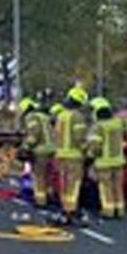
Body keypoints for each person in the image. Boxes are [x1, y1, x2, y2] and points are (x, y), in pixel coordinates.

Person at [86, 97, 127, 218]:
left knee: (106, 188)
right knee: (118, 186)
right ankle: (120, 210)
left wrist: (90, 156)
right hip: (119, 161)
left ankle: (108, 211)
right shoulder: (118, 124)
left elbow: (96, 147)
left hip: (104, 162)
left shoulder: (98, 127)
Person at [54, 86, 89, 220]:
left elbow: (56, 135)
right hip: (74, 156)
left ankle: (65, 207)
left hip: (61, 155)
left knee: (64, 183)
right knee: (74, 184)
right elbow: (79, 137)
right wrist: (86, 149)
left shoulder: (61, 116)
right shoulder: (77, 116)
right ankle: (72, 209)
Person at [18, 96, 55, 207]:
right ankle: (49, 196)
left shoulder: (31, 117)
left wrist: (25, 147)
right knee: (48, 175)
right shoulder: (44, 116)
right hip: (51, 149)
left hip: (40, 151)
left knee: (39, 176)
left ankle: (40, 201)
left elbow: (34, 134)